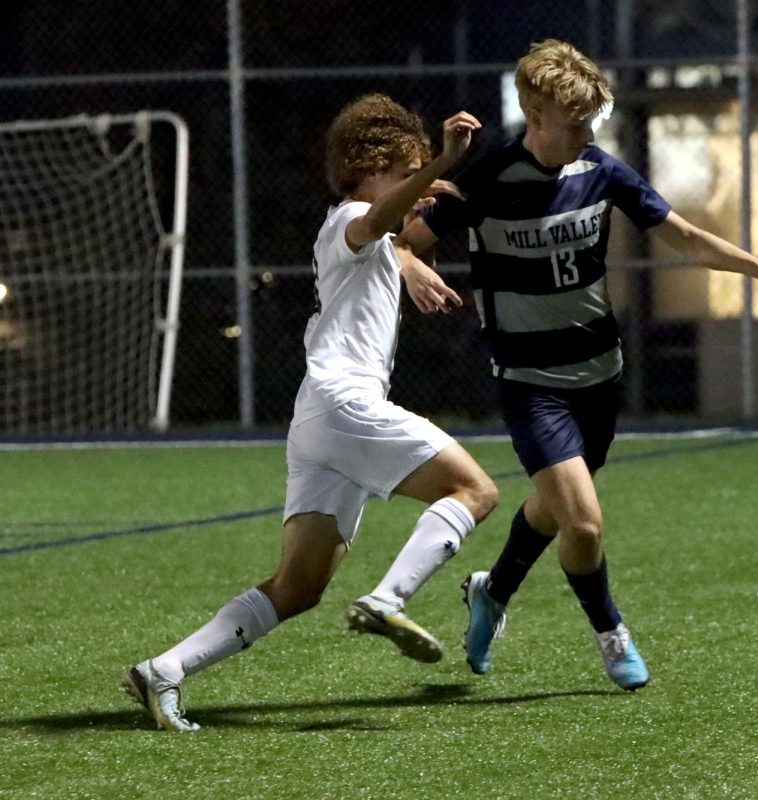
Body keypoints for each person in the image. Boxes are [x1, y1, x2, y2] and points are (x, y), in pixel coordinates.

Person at [394, 39, 758, 691]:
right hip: (531, 384)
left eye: (593, 119)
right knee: (584, 524)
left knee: (554, 507)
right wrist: (413, 269)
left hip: (598, 376)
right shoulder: (487, 176)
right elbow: (396, 244)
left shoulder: (601, 171)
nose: (589, 132)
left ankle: (491, 592)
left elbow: (682, 236)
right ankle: (611, 632)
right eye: (576, 122)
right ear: (536, 117)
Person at [123, 95, 498, 731]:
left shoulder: (371, 237)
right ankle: (388, 599)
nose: (422, 191)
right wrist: (443, 156)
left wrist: (411, 260)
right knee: (475, 489)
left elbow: (393, 234)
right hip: (346, 404)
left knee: (298, 588)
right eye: (409, 173)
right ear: (377, 164)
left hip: (321, 420)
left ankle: (164, 671)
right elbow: (378, 217)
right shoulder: (351, 216)